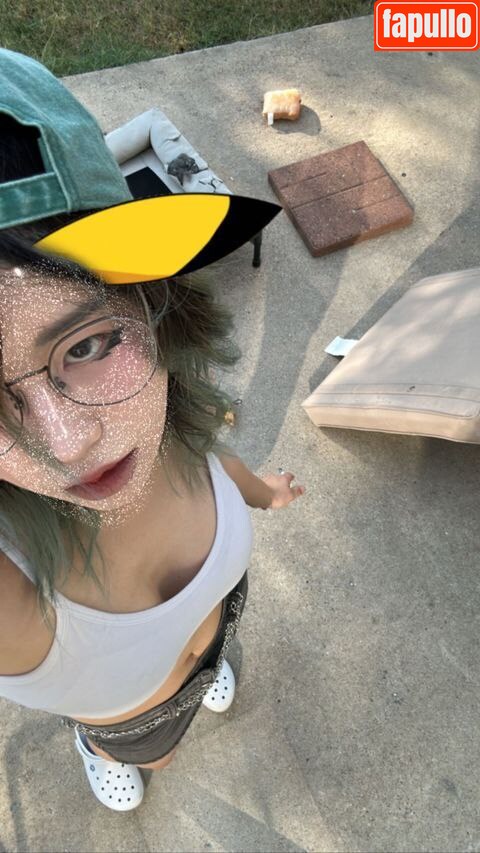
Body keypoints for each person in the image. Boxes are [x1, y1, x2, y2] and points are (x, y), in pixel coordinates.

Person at [0, 49, 305, 811]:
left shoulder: (162, 423)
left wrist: (260, 491)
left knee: (212, 652)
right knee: (155, 751)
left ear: (155, 306)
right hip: (134, 719)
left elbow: (204, 457)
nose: (69, 444)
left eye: (87, 345)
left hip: (220, 621)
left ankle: (206, 664)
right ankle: (101, 746)